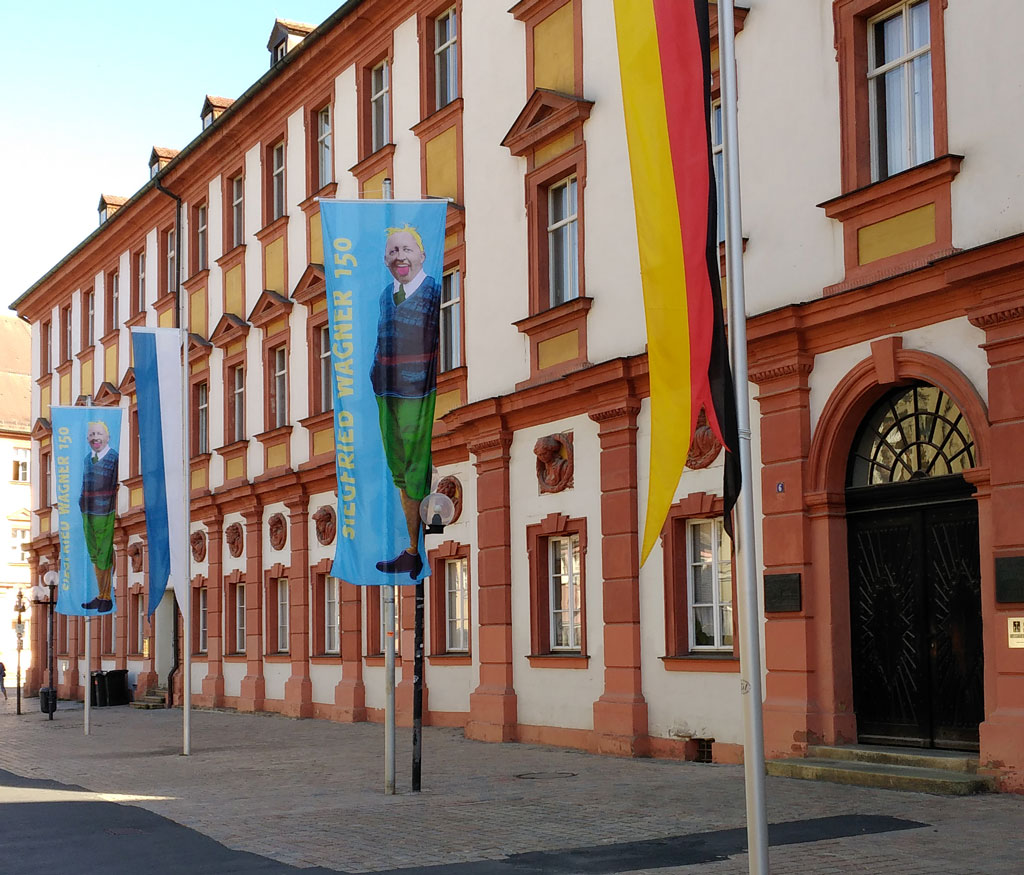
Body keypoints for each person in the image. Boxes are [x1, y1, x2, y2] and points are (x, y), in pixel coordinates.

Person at [370, 225, 441, 579]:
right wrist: (374, 373)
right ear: (385, 260)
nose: (400, 256)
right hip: (387, 393)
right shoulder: (386, 296)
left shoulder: (435, 292)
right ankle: (412, 550)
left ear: (422, 255)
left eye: (407, 249)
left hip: (418, 392)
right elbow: (383, 335)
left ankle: (420, 547)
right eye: (393, 251)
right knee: (399, 469)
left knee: (416, 469)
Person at [80, 420, 119, 612]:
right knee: (95, 555)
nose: (95, 438)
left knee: (104, 555)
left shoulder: (114, 457)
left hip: (106, 512)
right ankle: (101, 595)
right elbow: (85, 482)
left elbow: (114, 483)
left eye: (98, 434)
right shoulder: (87, 459)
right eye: (91, 435)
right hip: (88, 512)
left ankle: (106, 597)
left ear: (107, 437)